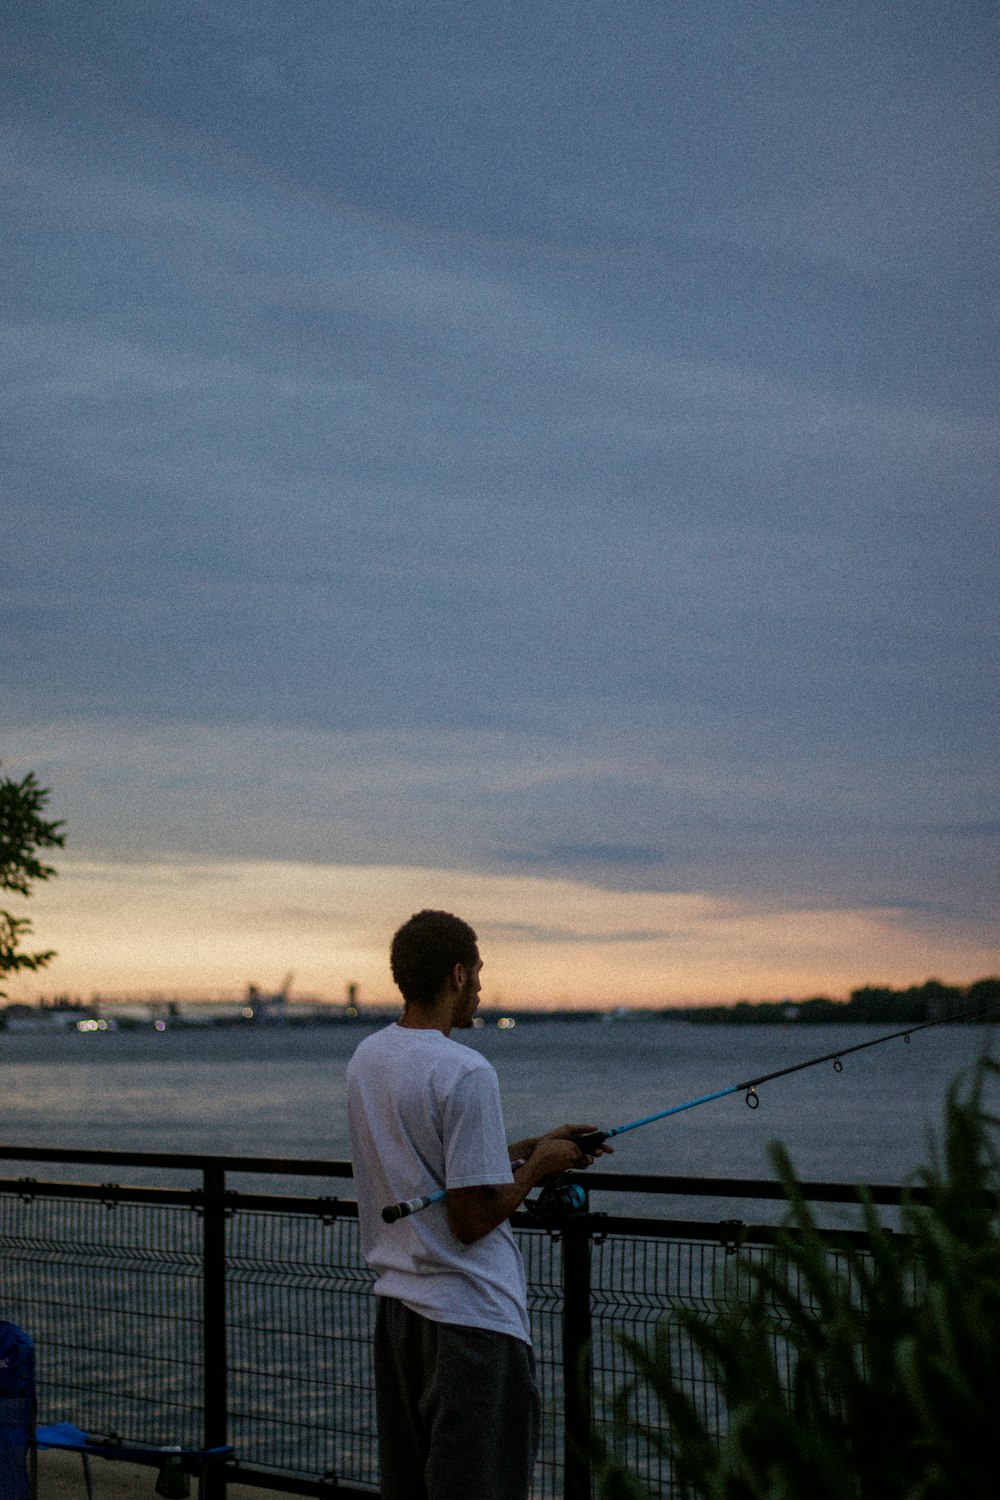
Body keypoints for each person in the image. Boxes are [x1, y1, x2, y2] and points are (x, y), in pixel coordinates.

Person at [346, 909, 608, 1500]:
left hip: (399, 1316)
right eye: (481, 974)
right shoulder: (466, 1070)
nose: (484, 989)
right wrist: (542, 1167)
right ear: (458, 975)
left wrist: (529, 1146)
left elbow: (436, 1164)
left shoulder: (368, 1059)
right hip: (471, 1320)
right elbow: (471, 1220)